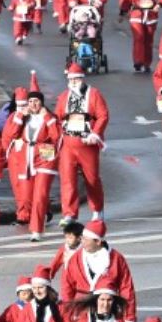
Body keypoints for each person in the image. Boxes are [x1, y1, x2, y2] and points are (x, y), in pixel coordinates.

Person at [3, 88, 62, 241]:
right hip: (28, 158)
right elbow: (11, 134)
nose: (33, 104)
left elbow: (56, 137)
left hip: (45, 157)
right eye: (30, 101)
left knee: (40, 193)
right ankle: (38, 216)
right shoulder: (23, 117)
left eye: (36, 101)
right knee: (28, 195)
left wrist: (48, 117)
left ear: (42, 103)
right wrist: (20, 115)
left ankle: (36, 229)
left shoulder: (50, 117)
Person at [55, 64, 109, 224]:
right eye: (71, 79)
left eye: (77, 78)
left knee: (91, 179)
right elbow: (57, 117)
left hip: (87, 142)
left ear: (82, 78)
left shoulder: (94, 94)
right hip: (68, 143)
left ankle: (97, 209)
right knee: (67, 179)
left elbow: (103, 115)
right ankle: (69, 213)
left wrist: (96, 133)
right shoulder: (64, 96)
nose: (73, 82)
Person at [58, 219, 137, 322]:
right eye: (82, 238)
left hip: (107, 309)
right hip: (81, 311)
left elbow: (126, 288)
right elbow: (67, 286)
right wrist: (68, 311)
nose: (82, 242)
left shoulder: (116, 258)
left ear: (98, 241)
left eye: (86, 239)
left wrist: (129, 318)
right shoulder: (76, 258)